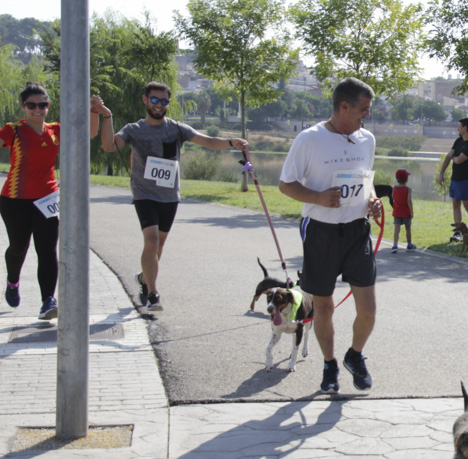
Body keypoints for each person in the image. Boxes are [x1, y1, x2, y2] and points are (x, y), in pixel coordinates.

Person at [99, 81, 248, 311]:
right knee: (151, 241)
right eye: (155, 100)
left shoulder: (177, 129)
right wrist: (107, 116)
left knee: (158, 247)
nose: (159, 105)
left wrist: (231, 142)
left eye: (164, 101)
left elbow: (207, 141)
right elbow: (109, 146)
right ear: (145, 100)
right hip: (144, 193)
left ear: (169, 102)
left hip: (169, 196)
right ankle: (153, 293)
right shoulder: (133, 130)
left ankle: (143, 278)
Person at [277, 77, 384, 394]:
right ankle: (329, 365)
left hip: (356, 230)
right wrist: (317, 197)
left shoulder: (367, 140)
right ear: (344, 106)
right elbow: (286, 184)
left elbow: (366, 181)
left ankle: (354, 355)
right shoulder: (309, 139)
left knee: (368, 309)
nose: (366, 116)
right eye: (362, 110)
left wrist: (373, 200)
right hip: (320, 231)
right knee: (324, 308)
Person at [2, 83, 102, 319]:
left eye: (43, 105)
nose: (38, 109)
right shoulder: (13, 130)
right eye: (32, 105)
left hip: (47, 198)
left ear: (48, 106)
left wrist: (95, 111)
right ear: (23, 107)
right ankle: (13, 281)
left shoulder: (57, 129)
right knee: (18, 247)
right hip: (14, 199)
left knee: (47, 249)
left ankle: (48, 300)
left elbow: (90, 133)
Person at [437, 117, 468, 238]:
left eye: (459, 126)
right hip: (455, 178)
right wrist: (441, 173)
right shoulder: (458, 141)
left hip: (466, 178)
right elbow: (449, 156)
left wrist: (454, 158)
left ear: (465, 128)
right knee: (455, 204)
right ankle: (458, 232)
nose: (458, 128)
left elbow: (458, 160)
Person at [390, 168, 414, 253]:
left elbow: (393, 197)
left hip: (397, 212)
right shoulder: (408, 189)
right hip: (406, 212)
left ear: (397, 178)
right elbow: (409, 201)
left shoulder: (394, 188)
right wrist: (411, 211)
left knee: (396, 229)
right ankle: (409, 245)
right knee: (408, 228)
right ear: (407, 179)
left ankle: (395, 245)